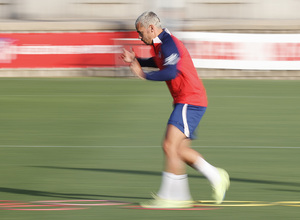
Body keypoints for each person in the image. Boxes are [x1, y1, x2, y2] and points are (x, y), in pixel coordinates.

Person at [121, 11, 229, 208]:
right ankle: (216, 175)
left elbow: (171, 71)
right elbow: (159, 61)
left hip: (191, 100)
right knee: (178, 150)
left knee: (169, 145)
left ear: (151, 28)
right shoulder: (161, 45)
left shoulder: (169, 43)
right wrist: (136, 59)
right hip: (188, 100)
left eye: (140, 32)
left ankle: (173, 197)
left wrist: (143, 75)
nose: (139, 36)